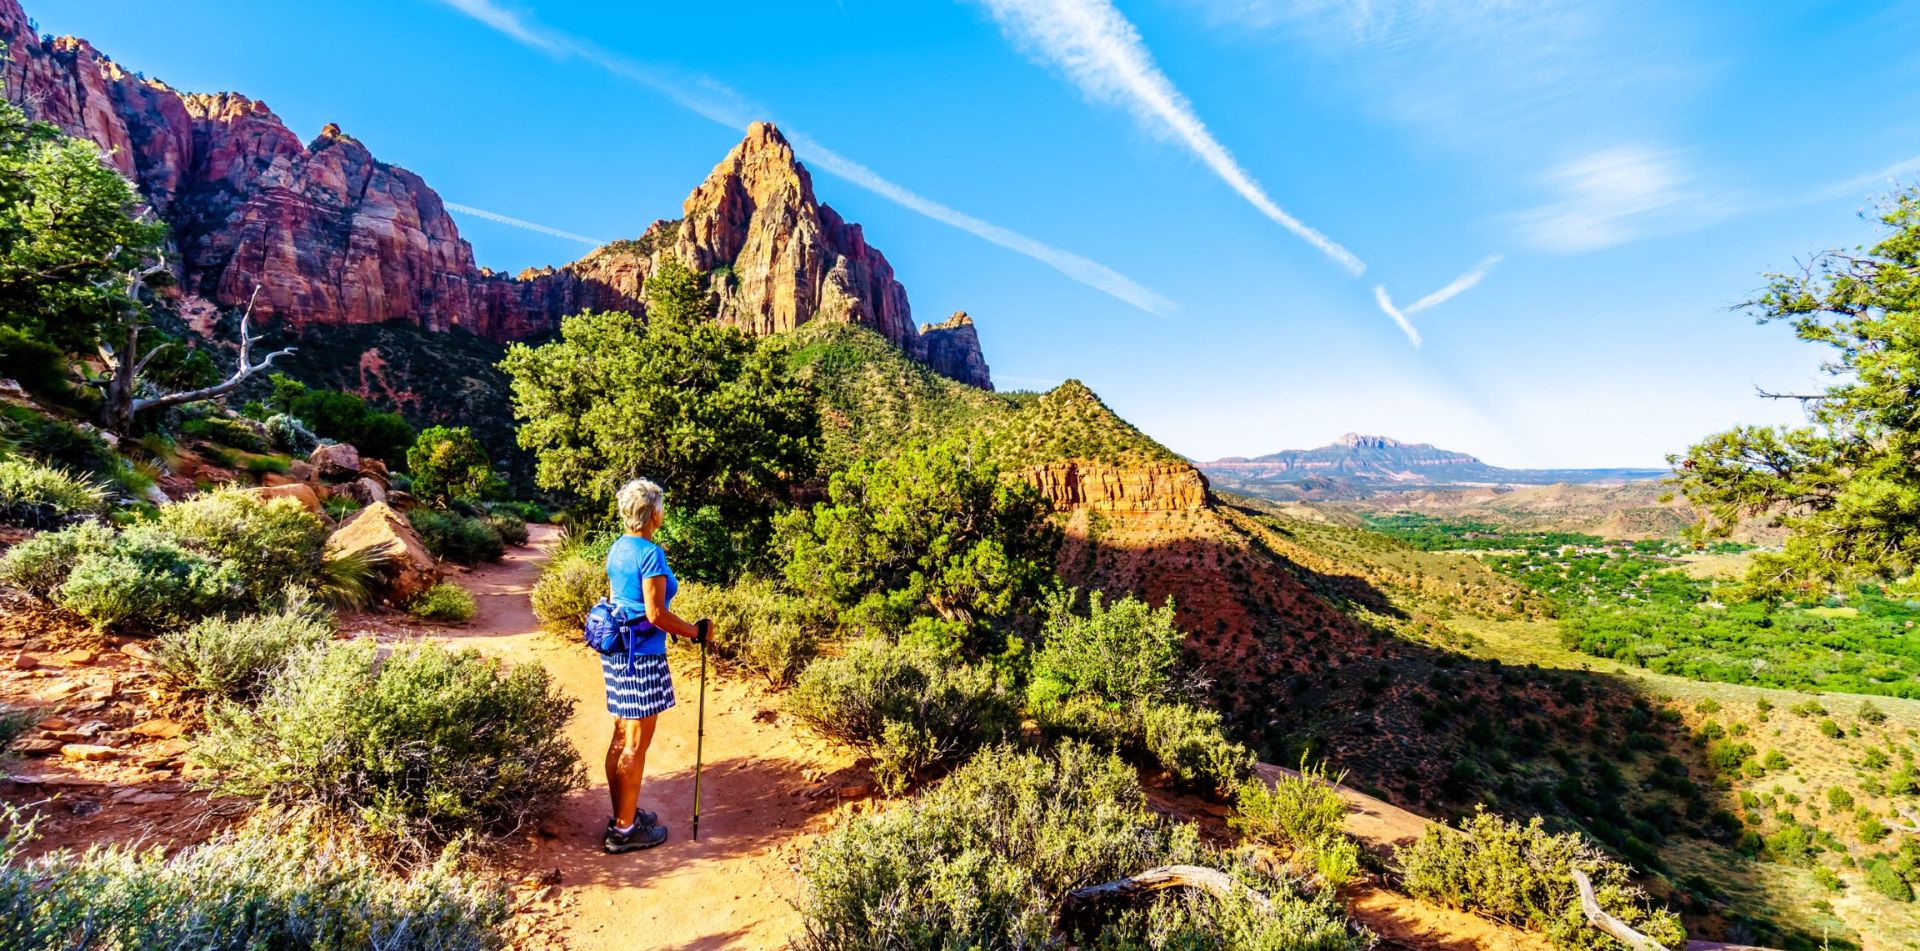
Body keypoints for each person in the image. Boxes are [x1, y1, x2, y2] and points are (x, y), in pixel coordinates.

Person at [600, 478, 709, 854]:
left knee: (620, 736)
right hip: (641, 656)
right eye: (661, 507)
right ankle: (624, 831)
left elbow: (622, 600)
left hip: (617, 652)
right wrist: (695, 631)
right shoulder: (650, 553)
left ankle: (623, 814)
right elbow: (655, 613)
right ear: (653, 514)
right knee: (635, 743)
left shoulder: (618, 547)